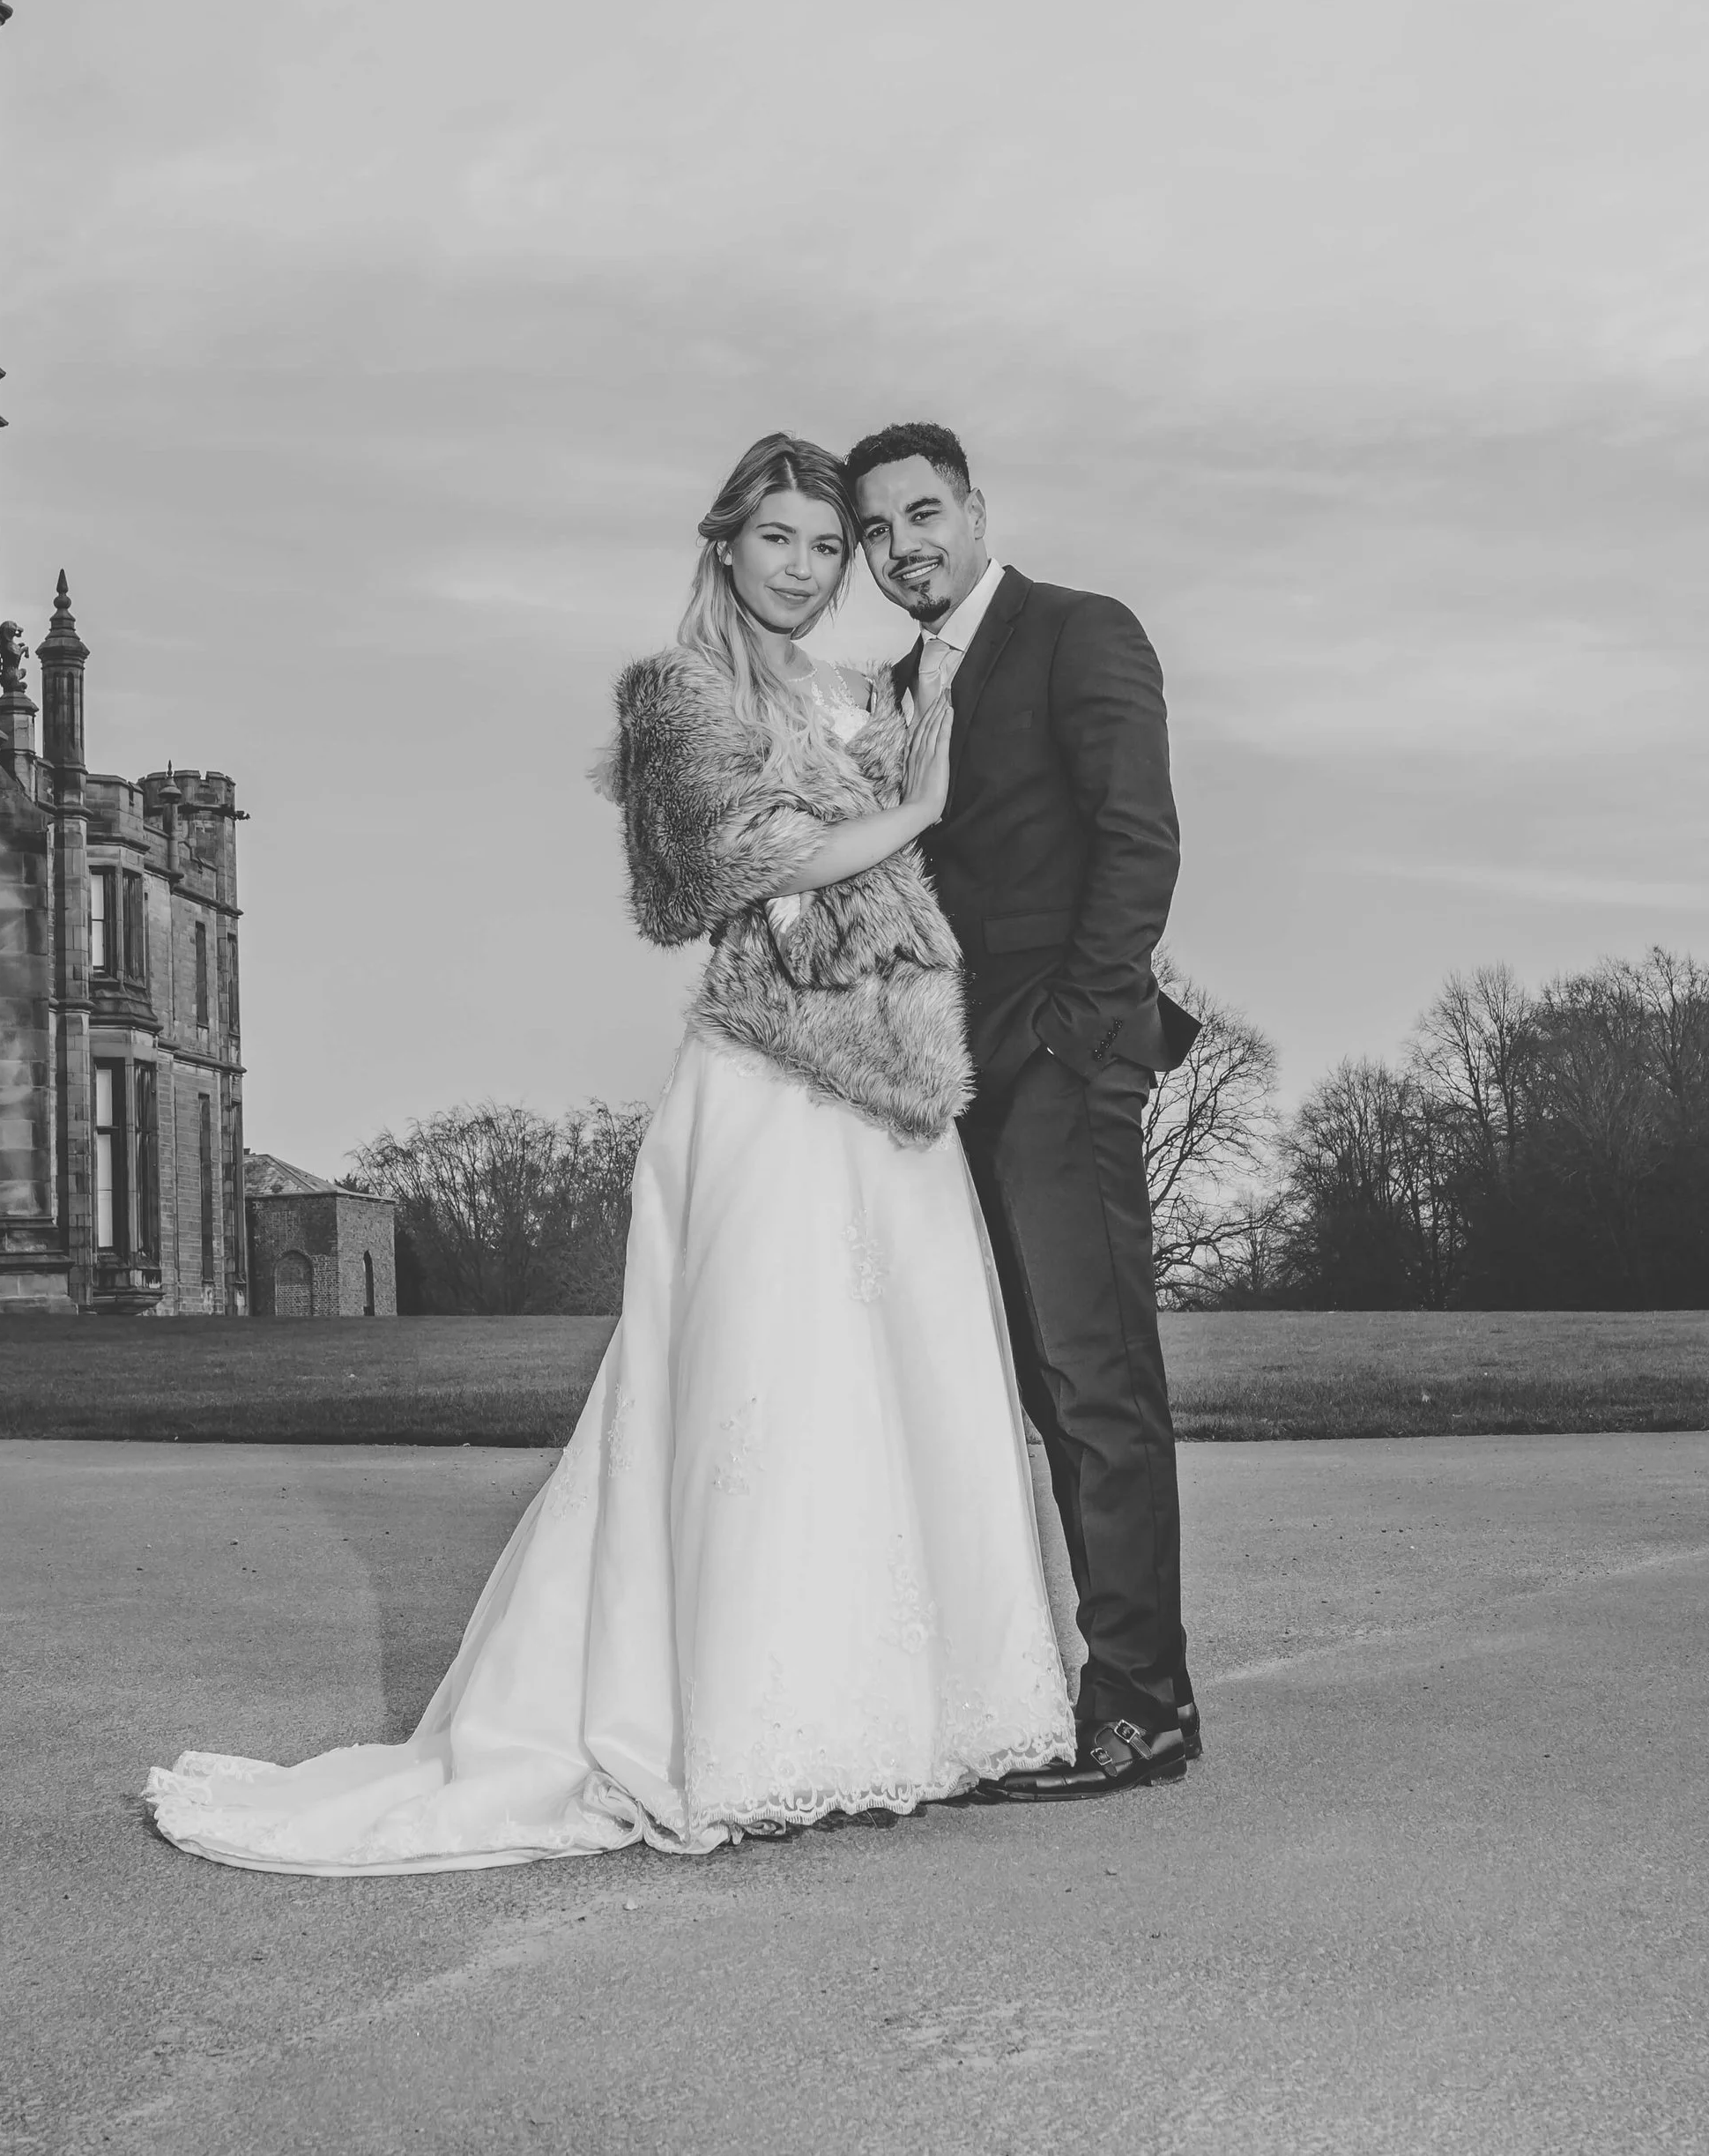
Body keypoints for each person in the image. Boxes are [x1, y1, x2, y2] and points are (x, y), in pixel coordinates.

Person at [145, 433, 1073, 1873]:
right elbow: (720, 865)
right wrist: (915, 811)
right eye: (780, 538)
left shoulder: (863, 690)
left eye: (830, 547)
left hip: (889, 1084)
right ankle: (756, 1727)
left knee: (909, 1378)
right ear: (724, 545)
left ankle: (917, 1717)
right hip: (769, 1078)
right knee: (763, 1385)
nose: (807, 569)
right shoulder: (678, 691)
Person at [846, 421, 1200, 1797]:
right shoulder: (889, 689)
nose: (901, 548)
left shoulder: (1077, 631)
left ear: (977, 508)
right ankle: (1072, 1688)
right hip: (943, 1084)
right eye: (876, 532)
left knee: (1097, 1384)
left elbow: (1138, 833)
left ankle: (1145, 1707)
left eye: (922, 514)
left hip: (1058, 1061)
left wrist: (1075, 1033)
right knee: (1032, 1396)